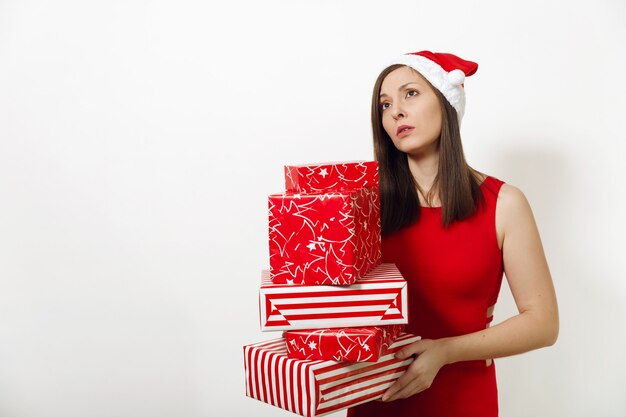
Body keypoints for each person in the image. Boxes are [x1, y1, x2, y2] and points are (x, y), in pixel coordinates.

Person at [347, 51, 559, 417]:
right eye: (384, 104)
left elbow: (543, 323)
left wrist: (445, 351)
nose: (394, 111)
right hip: (377, 401)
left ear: (446, 102)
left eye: (410, 93)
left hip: (463, 400)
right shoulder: (362, 203)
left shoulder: (504, 204)